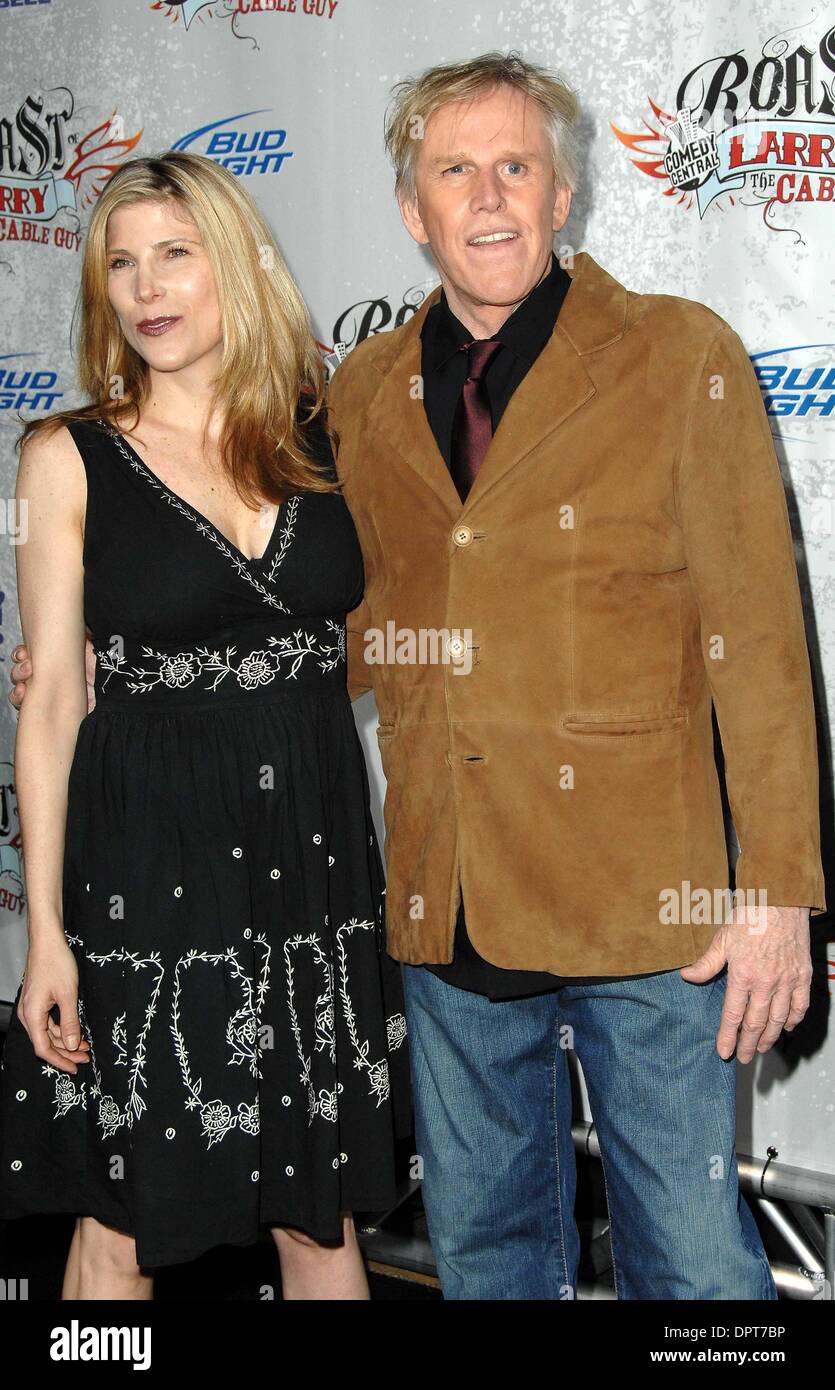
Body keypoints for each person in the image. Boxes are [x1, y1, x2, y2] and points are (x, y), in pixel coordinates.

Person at [324, 53, 825, 1298]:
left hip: (653, 918)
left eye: (516, 168)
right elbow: (349, 620)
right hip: (453, 903)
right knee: (486, 1257)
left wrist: (774, 893)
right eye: (455, 171)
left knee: (697, 1266)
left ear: (562, 198)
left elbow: (760, 641)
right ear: (410, 206)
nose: (487, 198)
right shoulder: (363, 390)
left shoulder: (676, 355)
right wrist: (137, 664)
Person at [0, 150, 409, 1300]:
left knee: (318, 1208)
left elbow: (400, 618)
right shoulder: (63, 457)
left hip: (312, 866)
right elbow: (51, 704)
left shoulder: (330, 433)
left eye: (175, 252)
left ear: (235, 261)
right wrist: (44, 935)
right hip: (146, 866)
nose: (146, 287)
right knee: (124, 1211)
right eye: (121, 264)